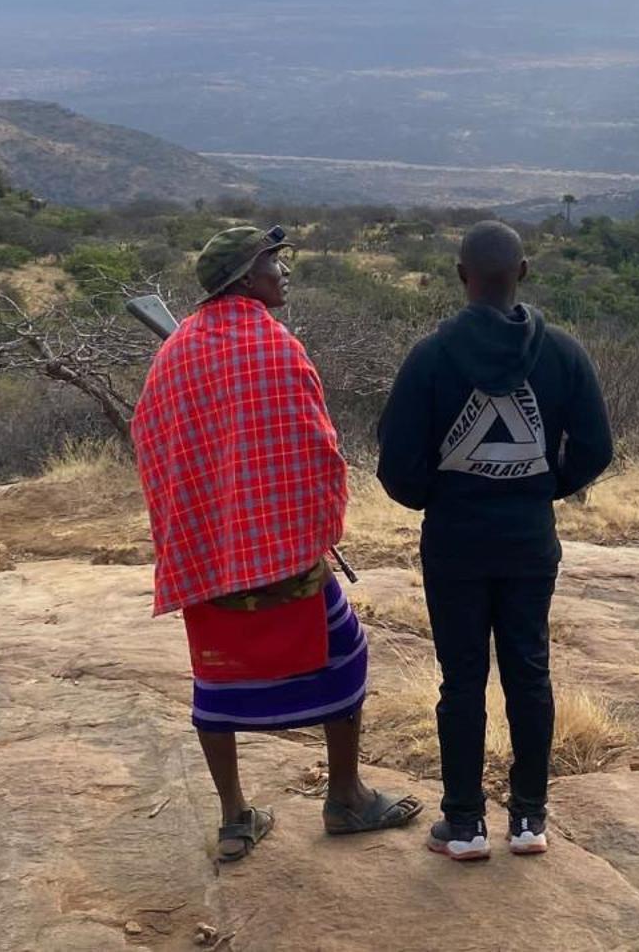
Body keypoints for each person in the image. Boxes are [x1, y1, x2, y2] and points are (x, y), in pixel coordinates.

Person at [130, 224, 419, 864]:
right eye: (273, 261)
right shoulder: (275, 345)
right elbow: (316, 447)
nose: (284, 271)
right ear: (244, 278)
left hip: (206, 553)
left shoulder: (174, 349)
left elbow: (152, 443)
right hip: (282, 552)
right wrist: (316, 526)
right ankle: (344, 795)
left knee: (216, 676)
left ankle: (235, 817)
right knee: (345, 654)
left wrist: (201, 524)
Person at [375, 220, 614, 863]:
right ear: (523, 272)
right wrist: (541, 485)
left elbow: (396, 463)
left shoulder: (430, 357)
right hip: (529, 540)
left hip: (454, 541)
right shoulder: (563, 354)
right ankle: (530, 820)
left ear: (461, 276)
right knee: (530, 673)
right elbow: (596, 448)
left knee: (461, 681)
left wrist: (442, 494)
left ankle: (464, 825)